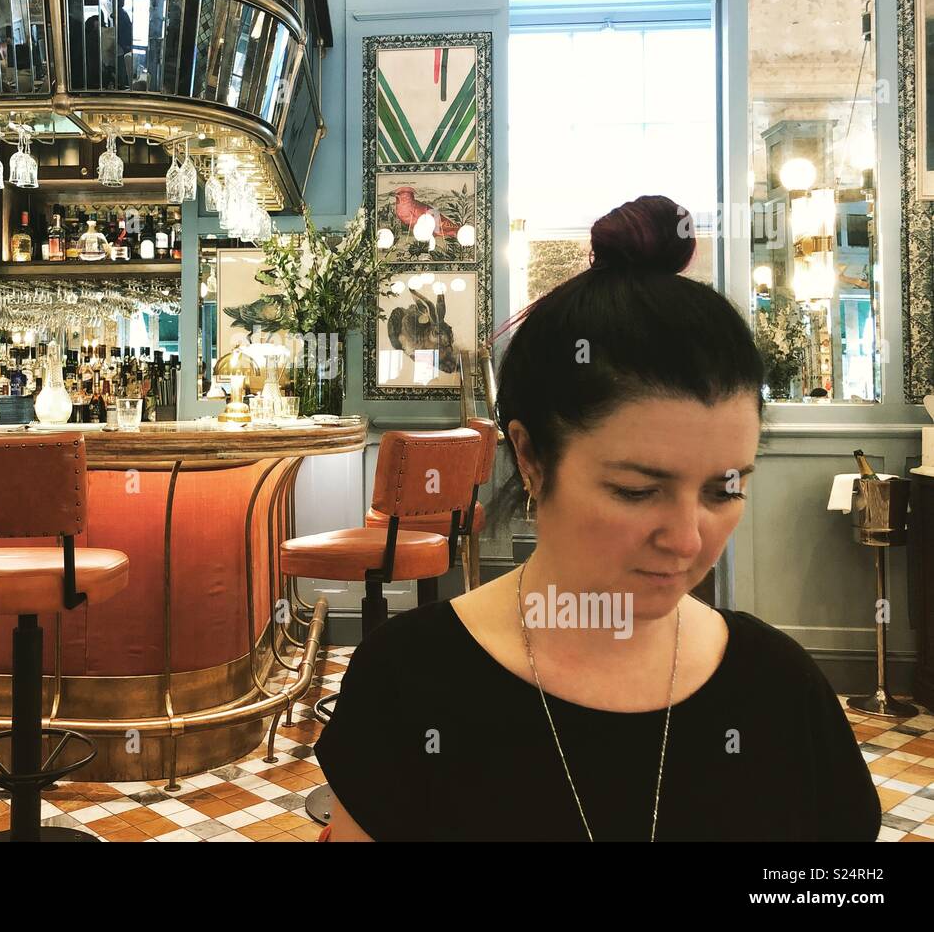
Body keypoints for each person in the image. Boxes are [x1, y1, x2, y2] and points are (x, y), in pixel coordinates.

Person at [314, 195, 882, 842]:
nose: (689, 539)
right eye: (638, 490)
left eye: (725, 488)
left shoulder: (782, 691)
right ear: (530, 457)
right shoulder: (409, 684)